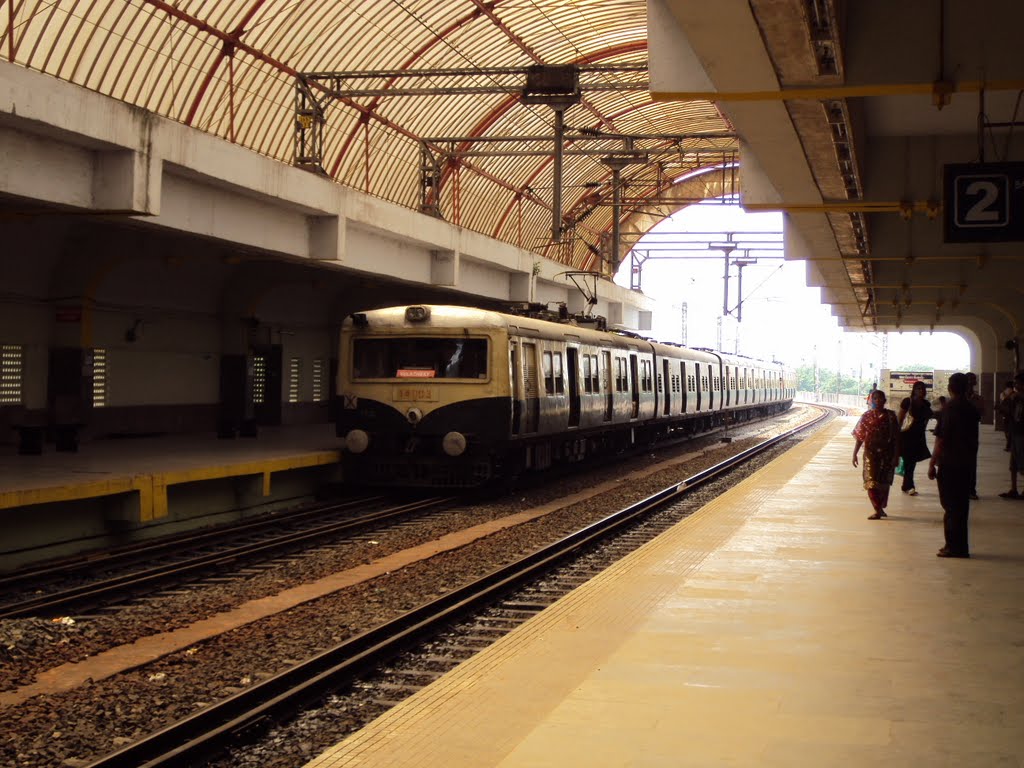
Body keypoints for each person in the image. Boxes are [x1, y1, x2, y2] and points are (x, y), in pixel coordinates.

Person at [927, 372, 980, 558]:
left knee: (950, 506)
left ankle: (952, 546)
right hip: (967, 463)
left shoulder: (949, 409)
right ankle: (961, 546)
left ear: (950, 388)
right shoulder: (971, 408)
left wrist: (932, 463)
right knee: (961, 506)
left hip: (949, 463)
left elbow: (941, 439)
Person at [852, 389, 901, 520]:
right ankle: (877, 509)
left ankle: (881, 506)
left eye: (880, 398)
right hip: (870, 454)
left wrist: (896, 456)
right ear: (871, 400)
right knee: (871, 482)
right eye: (875, 398)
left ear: (885, 401)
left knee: (884, 483)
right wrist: (855, 453)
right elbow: (860, 437)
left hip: (887, 454)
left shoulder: (891, 416)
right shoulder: (866, 416)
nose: (878, 401)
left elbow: (897, 438)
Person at [897, 381, 932, 496]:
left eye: (923, 389)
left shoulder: (926, 404)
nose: (921, 391)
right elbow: (900, 418)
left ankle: (906, 485)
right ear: (914, 390)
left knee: (912, 462)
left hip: (919, 436)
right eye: (918, 389)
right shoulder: (907, 402)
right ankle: (909, 485)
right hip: (906, 436)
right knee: (909, 461)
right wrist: (896, 434)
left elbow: (929, 416)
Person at [999, 373, 1024, 499]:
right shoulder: (1014, 397)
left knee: (1022, 462)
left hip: (1022, 434)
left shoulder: (1019, 398)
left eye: (1017, 383)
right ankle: (1013, 489)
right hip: (1015, 432)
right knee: (1013, 464)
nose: (1015, 385)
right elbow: (1005, 409)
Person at [965, 372, 983, 499]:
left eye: (973, 380)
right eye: (970, 380)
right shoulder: (958, 398)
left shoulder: (977, 398)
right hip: (959, 435)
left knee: (971, 463)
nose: (972, 383)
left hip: (971, 434)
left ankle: (971, 489)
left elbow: (982, 413)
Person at [998, 380, 1016, 452]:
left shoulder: (1003, 393)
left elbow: (1002, 401)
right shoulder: (1015, 393)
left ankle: (1008, 445)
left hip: (1006, 414)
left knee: (1006, 430)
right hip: (1013, 414)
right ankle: (1011, 445)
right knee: (1011, 430)